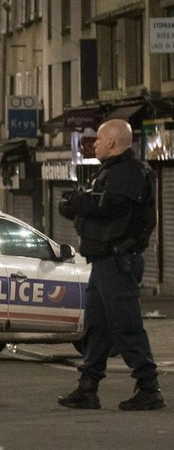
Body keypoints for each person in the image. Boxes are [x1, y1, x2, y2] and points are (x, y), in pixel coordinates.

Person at [57, 119, 164, 411]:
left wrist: (78, 204)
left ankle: (148, 388)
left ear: (113, 144)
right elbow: (100, 207)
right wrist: (78, 205)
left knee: (126, 327)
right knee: (98, 327)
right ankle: (87, 388)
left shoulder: (128, 172)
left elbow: (110, 207)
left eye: (100, 140)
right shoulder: (114, 171)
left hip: (118, 261)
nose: (95, 144)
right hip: (105, 262)